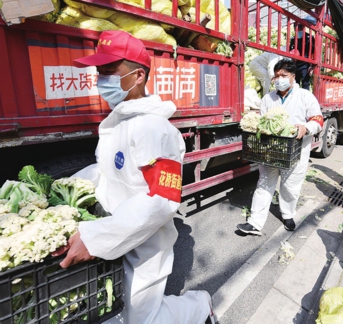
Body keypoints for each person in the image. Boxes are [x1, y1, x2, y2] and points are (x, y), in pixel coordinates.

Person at [54, 30, 215, 324]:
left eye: (109, 71)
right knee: (119, 308)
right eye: (99, 71)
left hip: (146, 241)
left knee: (144, 319)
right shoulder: (117, 121)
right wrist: (64, 190)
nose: (101, 79)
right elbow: (105, 172)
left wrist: (96, 238)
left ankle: (199, 305)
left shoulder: (155, 130)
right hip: (116, 230)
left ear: (138, 76)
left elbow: (161, 199)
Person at [237, 59, 323, 235]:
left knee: (290, 186)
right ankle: (255, 222)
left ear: (293, 76)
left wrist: (306, 128)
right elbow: (261, 120)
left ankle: (288, 214)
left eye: (283, 75)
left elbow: (318, 119)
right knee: (264, 183)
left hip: (295, 151)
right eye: (276, 76)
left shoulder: (305, 96)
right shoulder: (268, 98)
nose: (279, 79)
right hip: (270, 150)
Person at [289, 17, 316, 90]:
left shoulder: (309, 38)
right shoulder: (293, 39)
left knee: (305, 85)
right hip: (295, 65)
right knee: (295, 85)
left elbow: (314, 52)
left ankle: (305, 100)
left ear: (304, 29)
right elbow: (290, 51)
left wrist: (312, 67)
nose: (298, 32)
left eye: (300, 30)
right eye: (297, 30)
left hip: (305, 65)